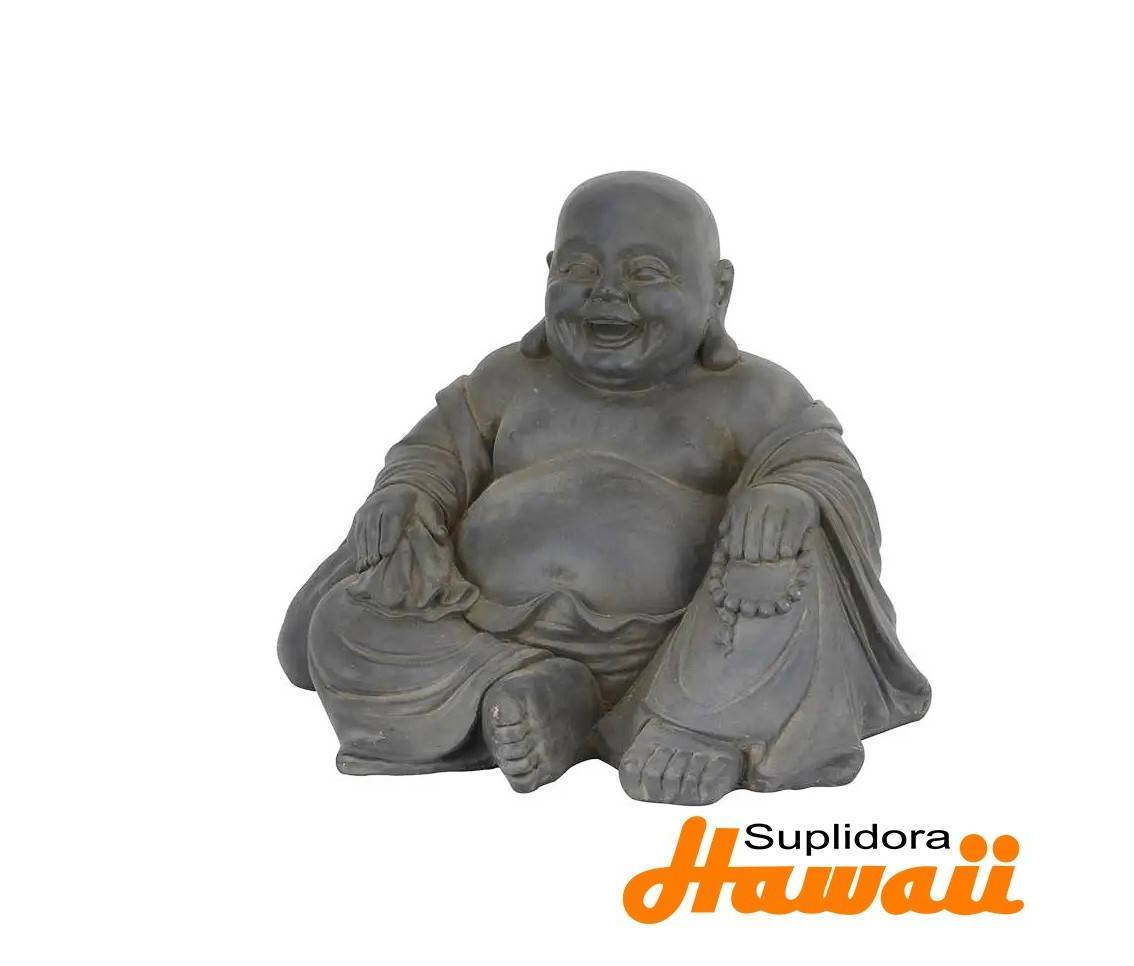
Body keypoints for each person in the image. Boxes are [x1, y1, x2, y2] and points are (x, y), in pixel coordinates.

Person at [278, 171, 930, 804]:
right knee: (342, 624)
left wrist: (789, 497)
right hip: (481, 630)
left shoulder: (752, 396)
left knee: (792, 555)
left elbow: (821, 467)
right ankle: (536, 694)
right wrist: (406, 498)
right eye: (580, 270)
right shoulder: (507, 379)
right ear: (548, 272)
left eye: (646, 273)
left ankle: (700, 722)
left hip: (682, 649)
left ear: (718, 291)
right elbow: (432, 455)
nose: (608, 294)